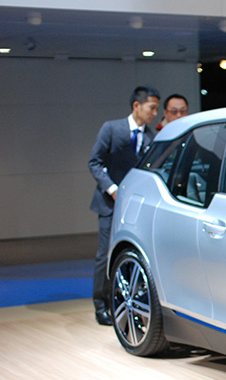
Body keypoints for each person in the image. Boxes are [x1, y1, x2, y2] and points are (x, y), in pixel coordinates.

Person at [88, 85, 160, 325]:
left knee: (130, 253)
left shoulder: (152, 137)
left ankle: (124, 299)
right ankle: (101, 304)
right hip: (110, 203)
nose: (154, 113)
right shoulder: (111, 128)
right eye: (152, 108)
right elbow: (95, 162)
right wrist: (112, 189)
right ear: (136, 106)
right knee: (105, 254)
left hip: (135, 206)